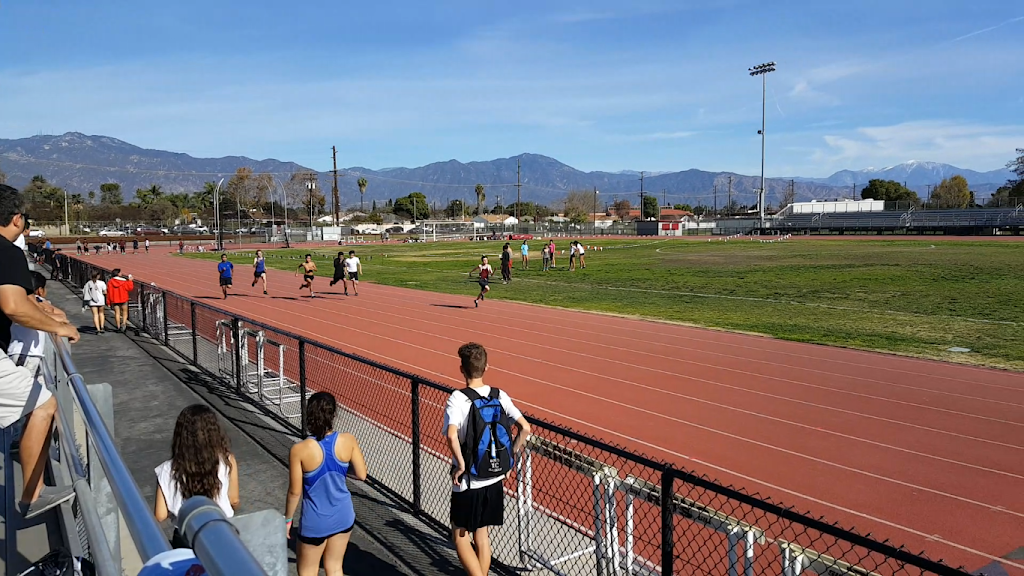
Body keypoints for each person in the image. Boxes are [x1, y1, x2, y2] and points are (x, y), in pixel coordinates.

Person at [0, 184, 81, 519]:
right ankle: (31, 496)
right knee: (44, 403)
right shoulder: (6, 250)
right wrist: (60, 327)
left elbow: (23, 301)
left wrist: (43, 309)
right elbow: (13, 306)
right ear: (17, 219)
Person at [443, 343, 530, 576]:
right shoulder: (499, 395)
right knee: (482, 536)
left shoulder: (458, 399)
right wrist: (509, 460)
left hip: (469, 480)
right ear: (487, 367)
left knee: (460, 536)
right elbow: (525, 428)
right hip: (494, 478)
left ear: (461, 369)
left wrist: (461, 465)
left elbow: (452, 435)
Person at [285, 392, 367, 576]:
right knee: (335, 568)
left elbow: (294, 492)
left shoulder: (299, 450)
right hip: (343, 515)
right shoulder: (348, 440)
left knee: (308, 571)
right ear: (333, 415)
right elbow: (362, 475)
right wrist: (340, 471)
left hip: (315, 522)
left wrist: (287, 519)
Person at [154, 404, 239, 548]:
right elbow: (234, 500)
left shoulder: (166, 469)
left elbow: (160, 515)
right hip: (221, 530)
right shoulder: (227, 460)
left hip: (185, 535)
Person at [107, 268, 134, 333]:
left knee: (117, 313)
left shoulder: (110, 282)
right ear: (118, 274)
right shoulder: (124, 281)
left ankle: (118, 326)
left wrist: (108, 301)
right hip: (123, 298)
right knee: (125, 311)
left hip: (115, 299)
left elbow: (109, 292)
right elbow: (130, 288)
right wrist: (130, 281)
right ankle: (124, 323)